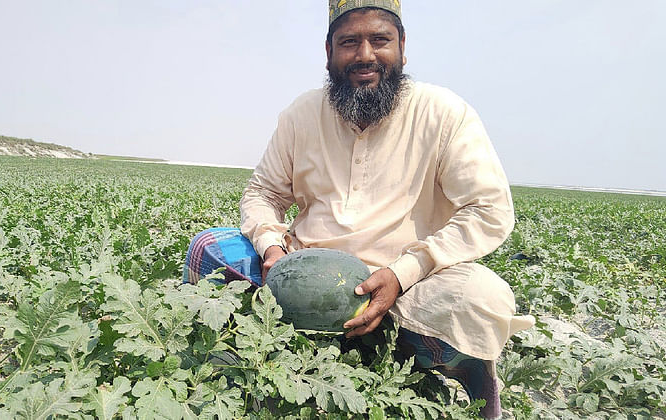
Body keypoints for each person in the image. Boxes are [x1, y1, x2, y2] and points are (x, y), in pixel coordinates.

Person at [184, 1, 534, 418]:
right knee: (208, 248)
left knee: (481, 299)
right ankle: (245, 359)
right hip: (304, 271)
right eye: (349, 42)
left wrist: (404, 272)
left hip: (406, 286)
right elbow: (263, 193)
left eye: (380, 40)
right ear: (329, 51)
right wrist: (271, 249)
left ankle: (474, 400)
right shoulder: (302, 114)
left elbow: (488, 208)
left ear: (402, 47)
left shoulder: (444, 113)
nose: (365, 55)